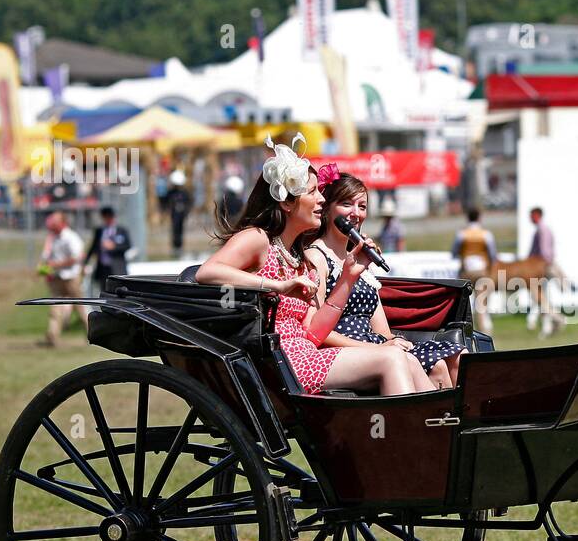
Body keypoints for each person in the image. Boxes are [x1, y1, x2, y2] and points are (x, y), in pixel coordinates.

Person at [198, 136, 422, 396]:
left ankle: (439, 436)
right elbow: (208, 272)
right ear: (287, 202)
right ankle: (410, 435)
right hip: (281, 365)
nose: (322, 200)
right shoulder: (257, 239)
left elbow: (314, 333)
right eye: (312, 191)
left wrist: (349, 276)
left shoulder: (302, 261)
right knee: (393, 360)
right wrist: (277, 286)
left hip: (307, 354)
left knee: (406, 358)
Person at [313, 168, 463, 389]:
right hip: (346, 350)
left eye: (362, 207)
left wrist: (392, 341)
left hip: (374, 343)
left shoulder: (360, 258)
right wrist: (380, 348)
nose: (356, 213)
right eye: (346, 204)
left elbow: (381, 329)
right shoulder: (317, 257)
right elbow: (317, 331)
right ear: (326, 208)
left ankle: (465, 419)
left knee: (457, 356)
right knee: (435, 366)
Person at [37, 211, 89, 346]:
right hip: (57, 278)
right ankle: (52, 337)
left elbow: (77, 257)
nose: (52, 224)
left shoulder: (71, 237)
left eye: (55, 221)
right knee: (55, 308)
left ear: (63, 223)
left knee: (80, 307)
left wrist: (56, 264)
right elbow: (47, 256)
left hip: (71, 277)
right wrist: (45, 268)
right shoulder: (53, 238)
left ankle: (92, 334)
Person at [84, 205, 132, 293]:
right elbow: (93, 247)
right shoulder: (100, 231)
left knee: (119, 290)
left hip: (117, 267)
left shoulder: (121, 230)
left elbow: (127, 245)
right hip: (103, 268)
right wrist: (85, 262)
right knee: (105, 290)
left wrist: (114, 246)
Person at [167, 168, 192, 253]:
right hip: (174, 214)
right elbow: (167, 201)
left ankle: (180, 246)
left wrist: (186, 212)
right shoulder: (171, 192)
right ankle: (175, 246)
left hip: (182, 214)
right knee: (175, 229)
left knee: (181, 229)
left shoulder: (184, 192)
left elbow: (188, 202)